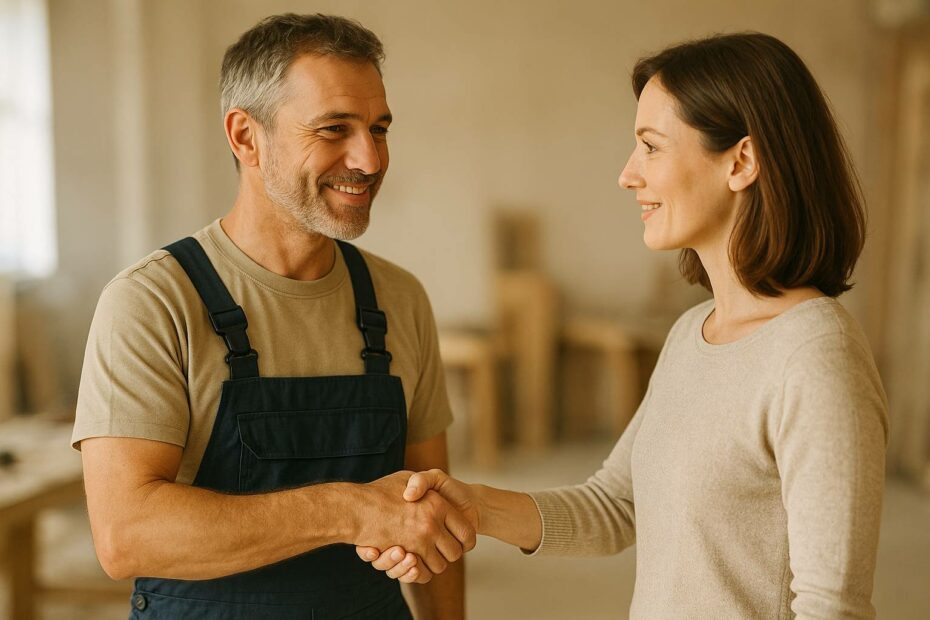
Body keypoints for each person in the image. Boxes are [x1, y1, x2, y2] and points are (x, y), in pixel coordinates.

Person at [359, 32, 889, 619]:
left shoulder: (816, 356)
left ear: (741, 161)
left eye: (651, 147)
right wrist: (471, 505)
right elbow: (615, 506)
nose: (628, 175)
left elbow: (831, 608)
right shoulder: (694, 332)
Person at [72, 13, 474, 620]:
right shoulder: (153, 302)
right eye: (334, 129)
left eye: (379, 128)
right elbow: (126, 535)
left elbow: (432, 512)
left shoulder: (399, 299)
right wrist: (352, 509)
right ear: (245, 137)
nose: (368, 159)